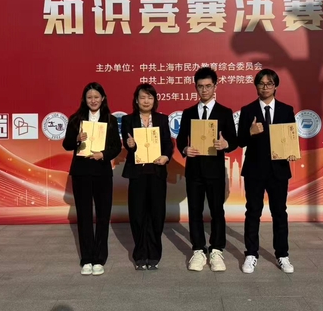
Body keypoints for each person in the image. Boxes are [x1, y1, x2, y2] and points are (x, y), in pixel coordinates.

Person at [176, 67, 237, 272]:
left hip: (215, 171)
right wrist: (185, 149)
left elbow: (234, 140)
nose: (204, 90)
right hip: (194, 170)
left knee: (217, 211)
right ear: (195, 87)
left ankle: (217, 250)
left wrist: (226, 144)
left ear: (215, 87)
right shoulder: (188, 113)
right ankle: (198, 250)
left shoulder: (225, 112)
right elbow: (180, 139)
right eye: (200, 86)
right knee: (195, 211)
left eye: (208, 86)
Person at [237, 69, 297, 274]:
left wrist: (291, 151)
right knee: (253, 212)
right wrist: (250, 132)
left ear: (275, 86)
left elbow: (291, 137)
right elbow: (240, 141)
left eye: (269, 83)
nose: (265, 87)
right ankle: (251, 254)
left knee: (279, 213)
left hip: (278, 171)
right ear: (256, 86)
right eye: (261, 83)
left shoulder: (286, 110)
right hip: (254, 170)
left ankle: (282, 255)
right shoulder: (248, 110)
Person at [62, 82, 121, 276]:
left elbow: (116, 147)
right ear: (84, 99)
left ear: (103, 98)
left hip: (102, 172)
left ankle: (99, 258)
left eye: (96, 97)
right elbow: (66, 144)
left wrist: (103, 155)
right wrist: (77, 139)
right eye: (89, 97)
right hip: (81, 173)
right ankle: (86, 258)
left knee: (103, 216)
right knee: (84, 216)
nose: (93, 100)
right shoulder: (76, 119)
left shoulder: (110, 120)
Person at [121, 83, 174, 270]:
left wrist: (165, 156)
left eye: (150, 97)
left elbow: (168, 143)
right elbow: (127, 144)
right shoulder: (128, 120)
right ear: (136, 100)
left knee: (157, 214)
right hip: (137, 173)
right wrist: (130, 144)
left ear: (155, 100)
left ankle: (154, 255)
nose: (146, 101)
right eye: (142, 97)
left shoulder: (162, 119)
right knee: (137, 214)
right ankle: (140, 255)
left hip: (156, 171)